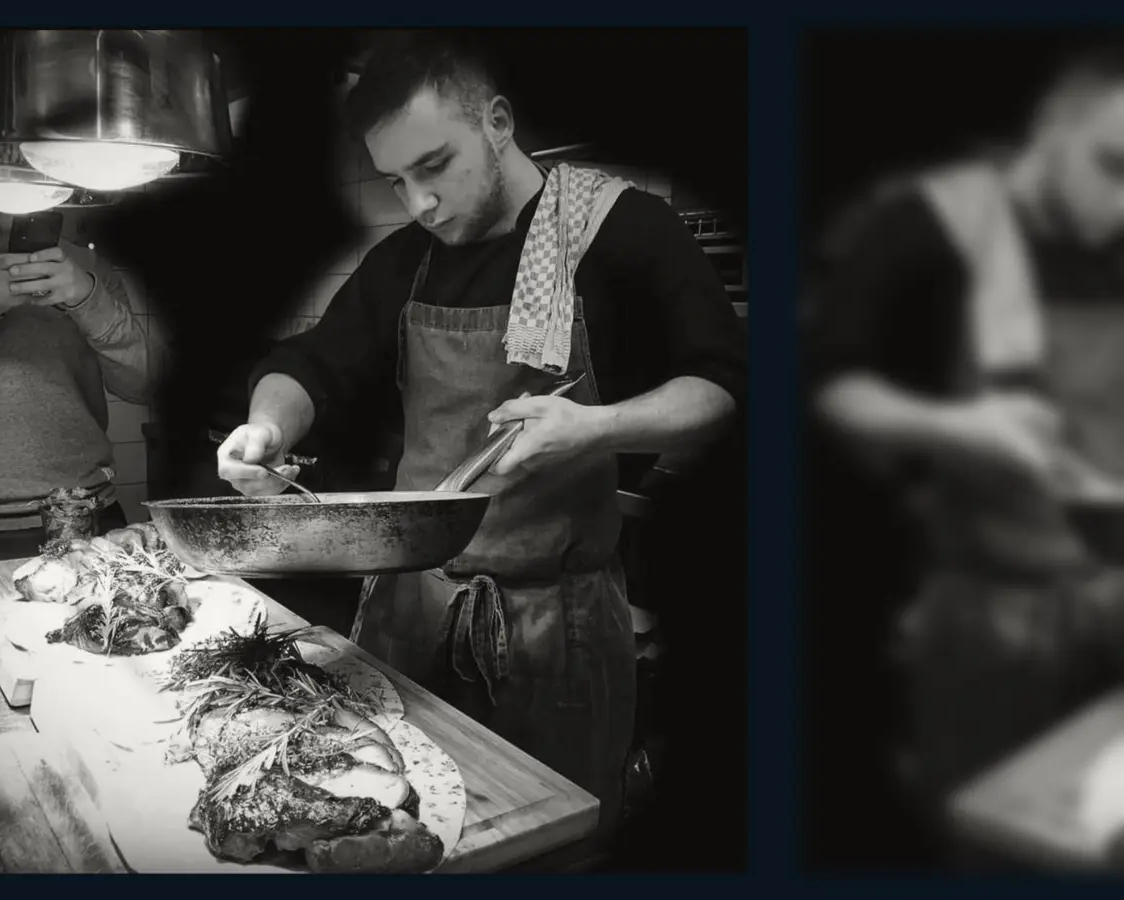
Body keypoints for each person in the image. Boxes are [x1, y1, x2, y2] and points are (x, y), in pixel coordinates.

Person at [215, 33, 746, 844]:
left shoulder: (618, 229)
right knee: (398, 829)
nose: (418, 203)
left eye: (435, 166)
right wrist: (264, 426)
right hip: (409, 610)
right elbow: (309, 364)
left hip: (555, 629)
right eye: (396, 181)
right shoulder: (406, 261)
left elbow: (721, 386)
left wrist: (594, 427)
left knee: (542, 842)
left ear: (496, 122)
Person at [806, 45, 1124, 859]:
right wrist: (963, 428)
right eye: (1112, 166)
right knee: (995, 839)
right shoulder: (928, 223)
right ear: (1052, 124)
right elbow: (831, 387)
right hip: (989, 617)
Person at [0, 204, 154, 564]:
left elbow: (143, 386)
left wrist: (89, 299)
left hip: (89, 520)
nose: (16, 168)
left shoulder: (90, 269)